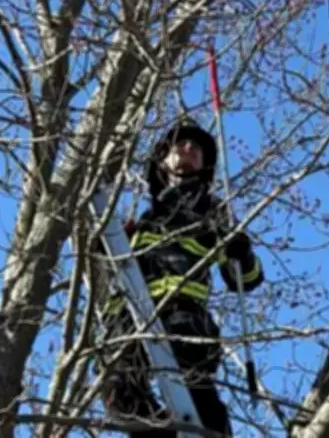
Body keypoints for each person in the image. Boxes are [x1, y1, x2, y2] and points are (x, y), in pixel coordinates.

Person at [101, 119, 264, 438]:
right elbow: (111, 272)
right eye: (180, 145)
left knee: (198, 398)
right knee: (118, 393)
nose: (188, 149)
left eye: (196, 148)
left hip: (183, 317)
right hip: (128, 321)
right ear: (163, 160)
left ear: (204, 165)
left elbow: (245, 279)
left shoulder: (211, 213)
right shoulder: (143, 222)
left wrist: (241, 252)